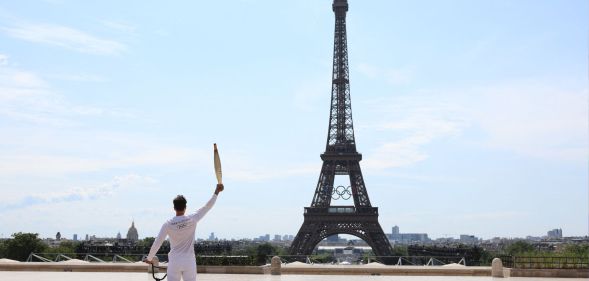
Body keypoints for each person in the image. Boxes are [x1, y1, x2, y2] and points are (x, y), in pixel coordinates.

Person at [144, 184, 224, 281]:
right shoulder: (193, 219)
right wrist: (216, 192)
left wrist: (149, 258)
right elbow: (207, 206)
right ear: (185, 207)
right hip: (189, 261)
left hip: (174, 261)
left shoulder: (168, 224)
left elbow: (158, 242)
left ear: (174, 208)